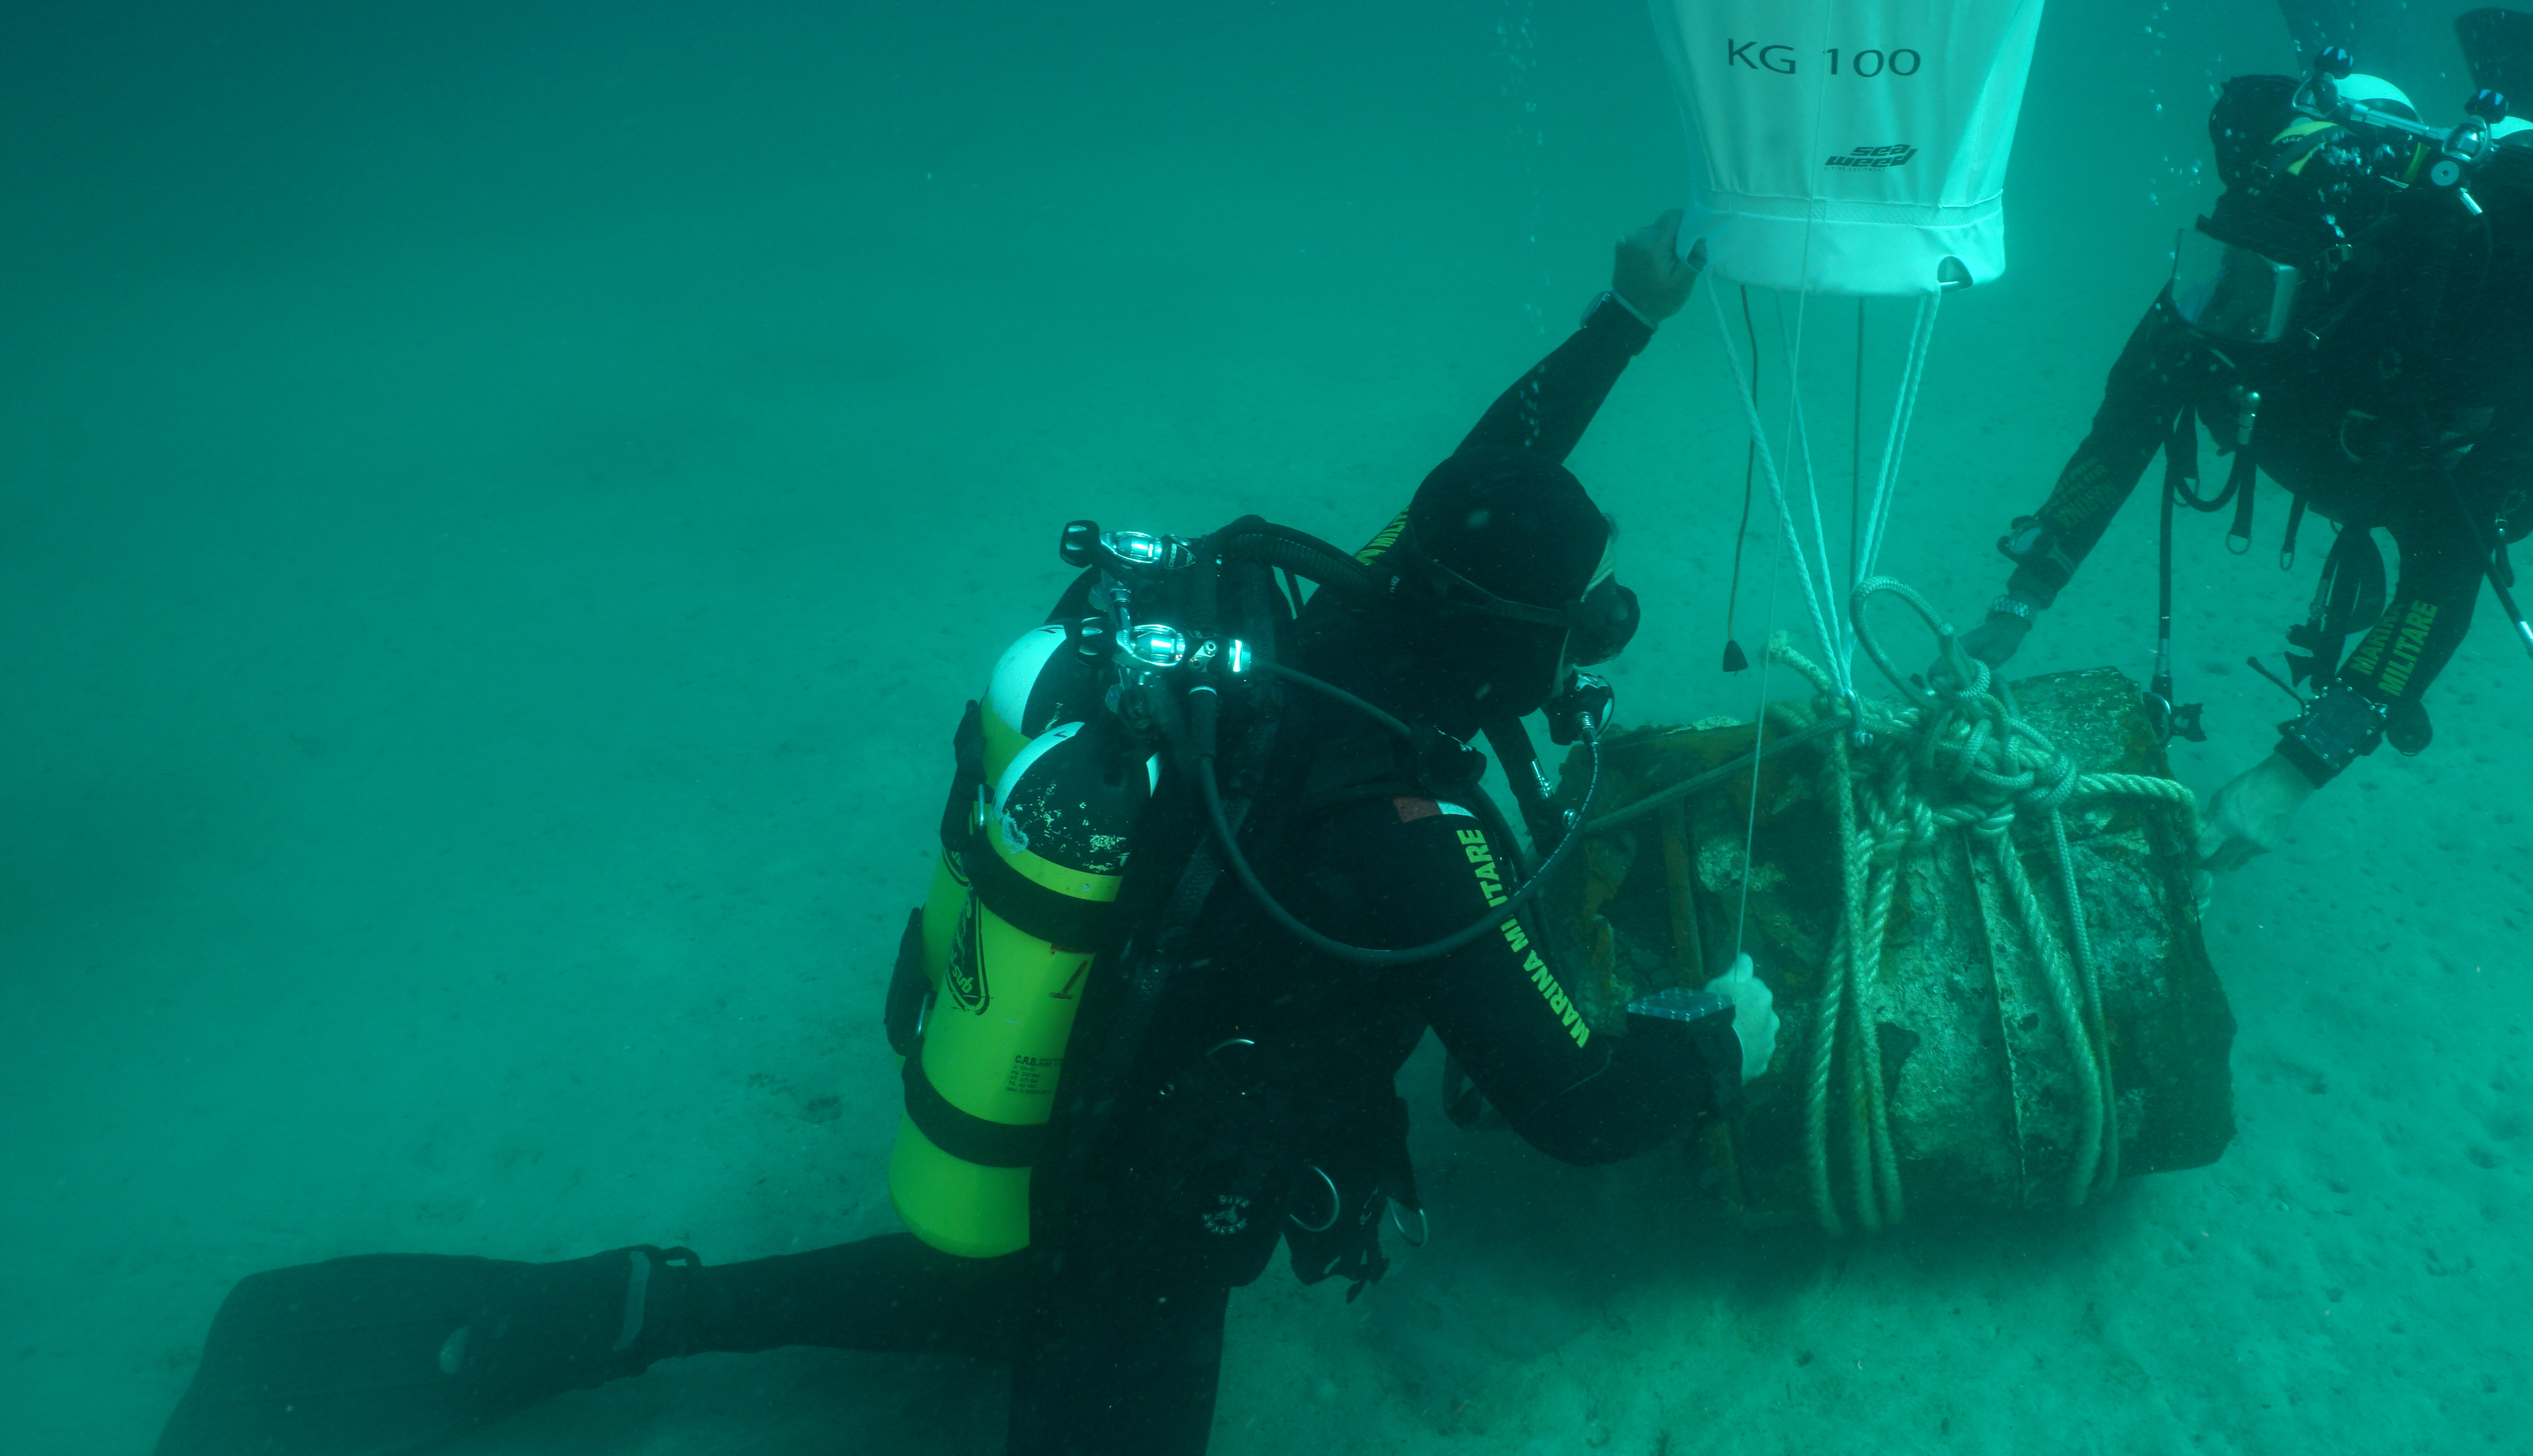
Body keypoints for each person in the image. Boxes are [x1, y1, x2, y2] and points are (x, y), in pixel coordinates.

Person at [155, 214, 1777, 1456]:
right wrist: (1727, 1043)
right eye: (1574, 627)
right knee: (1057, 1306)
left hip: (1057, 1062)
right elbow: (1577, 1106)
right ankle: (641, 1316)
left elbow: (1490, 478)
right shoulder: (1423, 842)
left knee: (994, 1271)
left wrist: (1623, 320)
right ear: (1498, 642)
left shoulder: (1327, 617)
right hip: (1149, 1210)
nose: (1583, 645)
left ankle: (640, 1308)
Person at [1956, 0, 2533, 878]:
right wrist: (2016, 604)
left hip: (2413, 411)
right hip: (2344, 329)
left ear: (2318, 312)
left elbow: (2435, 591)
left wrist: (2292, 774)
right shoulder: (2230, 287)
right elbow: (2121, 432)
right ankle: (2384, 85)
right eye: (2214, 275)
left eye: (2248, 297)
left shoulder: (2430, 373)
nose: (2214, 310)